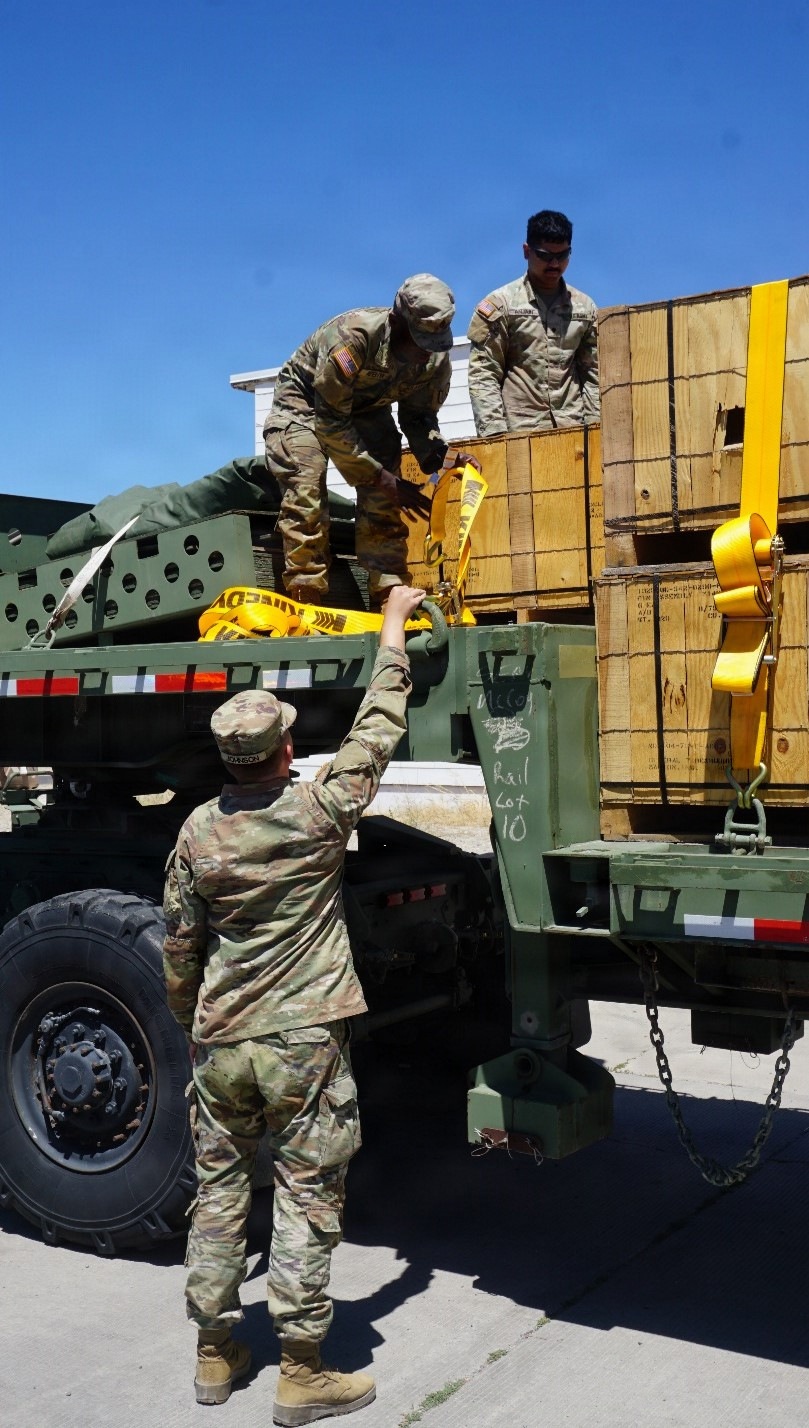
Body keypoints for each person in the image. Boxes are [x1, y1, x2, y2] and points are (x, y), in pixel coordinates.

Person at [162, 582, 427, 1422]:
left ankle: (214, 1353)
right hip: (301, 1041)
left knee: (220, 1192)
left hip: (222, 1040)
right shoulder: (318, 812)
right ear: (283, 749)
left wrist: (190, 1023)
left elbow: (180, 946)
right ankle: (301, 1368)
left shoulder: (198, 831)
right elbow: (376, 729)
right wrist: (392, 622)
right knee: (309, 1195)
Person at [263, 275, 455, 607]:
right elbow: (330, 420)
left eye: (434, 342)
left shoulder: (434, 358)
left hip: (366, 409)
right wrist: (380, 477)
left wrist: (441, 458)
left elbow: (419, 416)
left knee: (385, 500)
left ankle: (390, 594)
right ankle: (305, 595)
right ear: (397, 322)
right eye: (420, 341)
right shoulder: (353, 338)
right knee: (306, 488)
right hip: (306, 406)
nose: (428, 353)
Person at [467, 209, 599, 436]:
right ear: (527, 251)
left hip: (574, 432)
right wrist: (495, 435)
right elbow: (484, 373)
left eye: (563, 255)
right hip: (519, 433)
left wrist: (596, 429)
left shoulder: (584, 308)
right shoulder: (501, 306)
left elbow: (594, 375)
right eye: (546, 256)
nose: (555, 264)